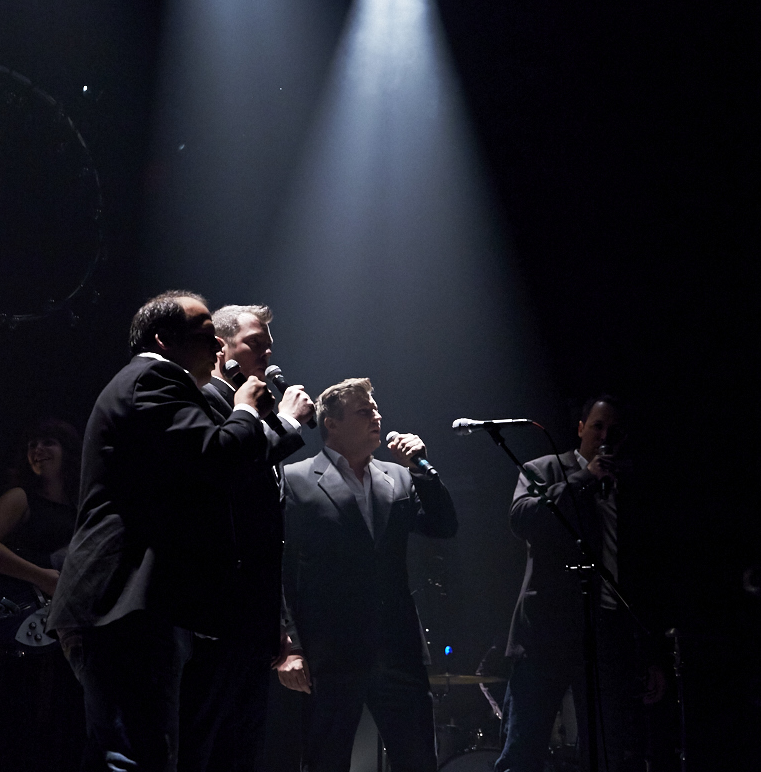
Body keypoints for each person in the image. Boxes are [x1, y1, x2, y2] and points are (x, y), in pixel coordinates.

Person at [47, 290, 276, 772]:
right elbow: (216, 458)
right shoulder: (155, 377)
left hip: (129, 605)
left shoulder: (150, 383)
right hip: (122, 603)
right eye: (205, 334)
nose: (218, 344)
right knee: (135, 757)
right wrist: (246, 410)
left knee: (135, 753)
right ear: (163, 339)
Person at [275, 378, 457, 772]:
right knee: (325, 762)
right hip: (329, 654)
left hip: (398, 648)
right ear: (331, 424)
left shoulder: (399, 476)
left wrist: (423, 469)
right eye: (363, 411)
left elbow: (443, 526)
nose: (376, 417)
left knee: (418, 760)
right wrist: (290, 646)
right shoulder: (296, 478)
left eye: (375, 409)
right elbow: (279, 567)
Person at [494, 395, 665, 772]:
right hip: (546, 631)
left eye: (613, 431)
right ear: (581, 428)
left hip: (606, 633)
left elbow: (643, 573)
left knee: (605, 752)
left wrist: (651, 654)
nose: (604, 436)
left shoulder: (628, 487)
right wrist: (585, 478)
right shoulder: (545, 468)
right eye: (598, 426)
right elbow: (522, 519)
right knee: (523, 749)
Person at [179, 304, 315, 772]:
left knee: (240, 750)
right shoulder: (204, 402)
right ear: (222, 349)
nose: (267, 353)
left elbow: (263, 538)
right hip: (213, 617)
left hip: (249, 622)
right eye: (255, 343)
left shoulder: (253, 417)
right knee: (201, 743)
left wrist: (273, 620)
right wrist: (288, 423)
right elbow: (226, 478)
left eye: (269, 345)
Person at [0, 417, 87, 772]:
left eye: (48, 442)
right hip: (23, 636)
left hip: (65, 636)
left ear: (68, 452)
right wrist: (43, 578)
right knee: (18, 731)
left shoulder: (83, 510)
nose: (38, 450)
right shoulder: (21, 497)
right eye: (33, 444)